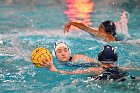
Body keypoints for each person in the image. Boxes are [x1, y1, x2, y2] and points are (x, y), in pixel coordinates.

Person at [42, 45, 140, 82]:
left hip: (106, 83)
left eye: (65, 50)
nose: (63, 53)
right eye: (59, 51)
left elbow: (73, 73)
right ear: (115, 59)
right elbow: (135, 69)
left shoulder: (96, 70)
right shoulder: (122, 68)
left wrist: (53, 69)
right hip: (122, 78)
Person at [64, 11, 129, 42]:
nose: (98, 29)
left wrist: (71, 23)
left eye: (100, 27)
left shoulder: (103, 35)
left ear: (104, 30)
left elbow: (84, 27)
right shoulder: (113, 38)